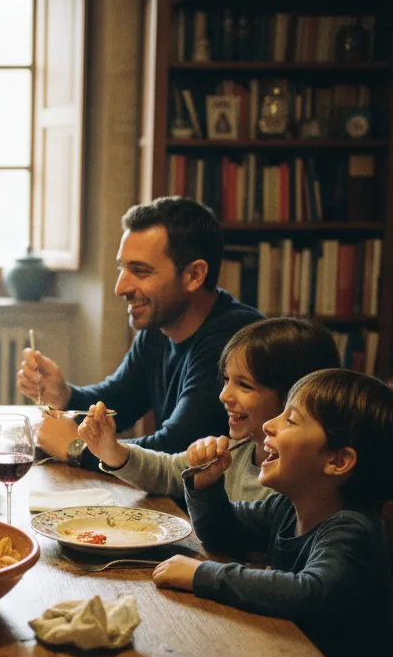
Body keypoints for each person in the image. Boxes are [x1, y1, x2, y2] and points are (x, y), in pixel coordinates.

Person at [60, 369, 393, 657]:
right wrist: (205, 485)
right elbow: (224, 532)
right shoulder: (290, 507)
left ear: (338, 460)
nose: (270, 426)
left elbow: (312, 592)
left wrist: (203, 574)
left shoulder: (351, 531)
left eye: (291, 419)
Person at [16, 196, 262, 467]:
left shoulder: (233, 341)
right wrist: (63, 395)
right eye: (123, 267)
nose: (121, 287)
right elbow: (120, 401)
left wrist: (77, 447)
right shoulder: (161, 325)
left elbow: (176, 450)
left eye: (140, 271)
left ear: (194, 275)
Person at [76, 316, 341, 502]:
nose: (224, 395)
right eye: (226, 380)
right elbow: (168, 471)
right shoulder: (235, 452)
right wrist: (113, 452)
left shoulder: (297, 482)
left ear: (294, 397)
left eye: (244, 385)